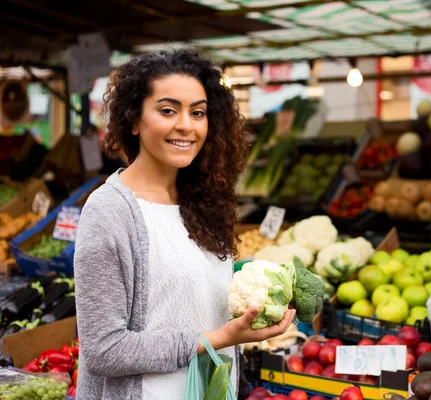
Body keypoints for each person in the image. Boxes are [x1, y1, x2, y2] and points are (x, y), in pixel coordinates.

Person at [73, 49, 295, 400]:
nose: (186, 125)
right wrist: (220, 338)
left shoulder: (203, 201)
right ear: (133, 119)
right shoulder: (109, 211)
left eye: (198, 113)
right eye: (167, 110)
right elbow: (104, 350)